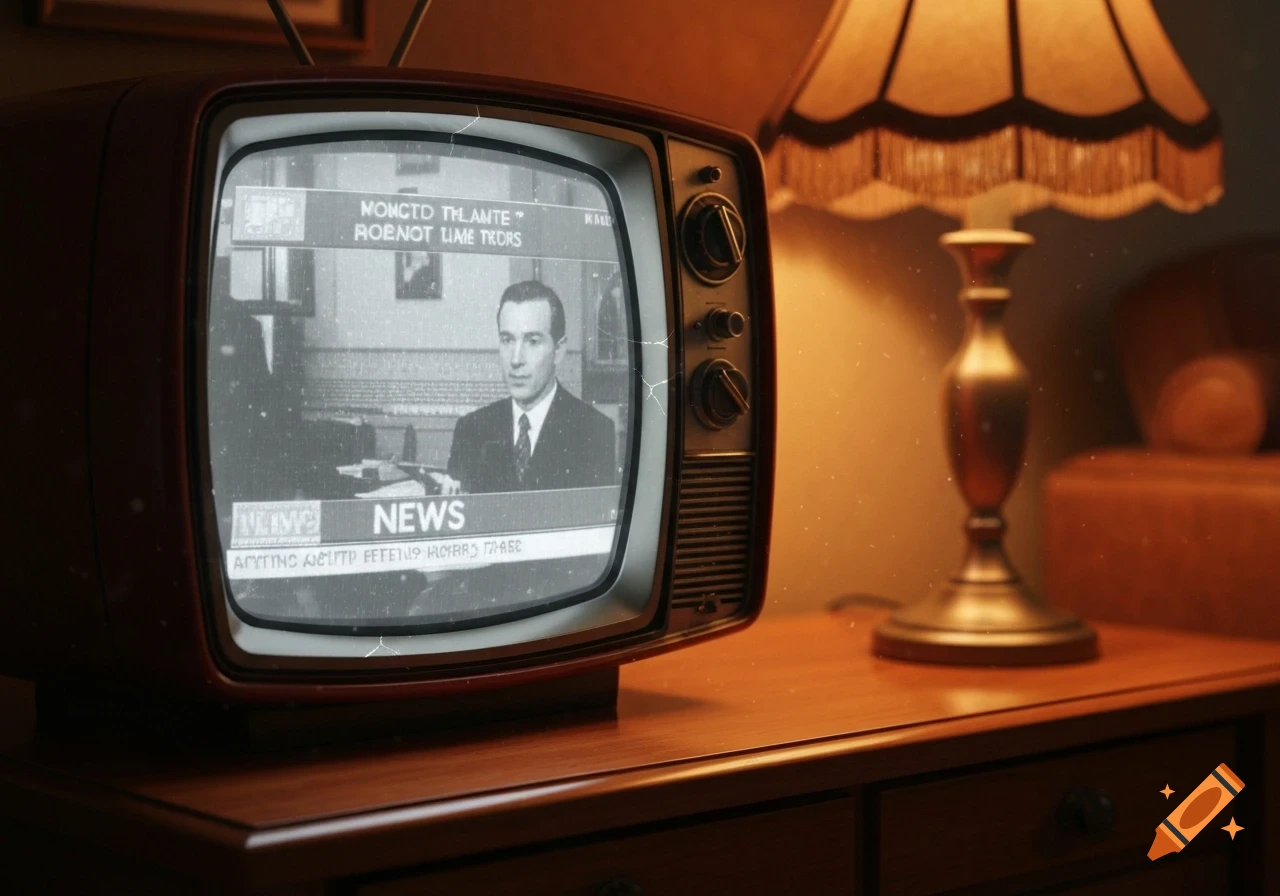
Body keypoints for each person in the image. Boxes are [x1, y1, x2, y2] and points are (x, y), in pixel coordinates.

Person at [443, 280, 617, 494]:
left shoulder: (594, 432)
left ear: (559, 350)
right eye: (507, 340)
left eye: (532, 341)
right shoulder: (470, 430)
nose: (515, 359)